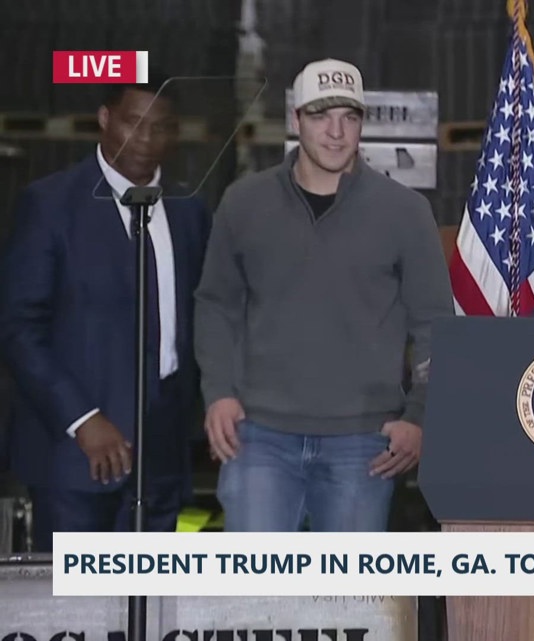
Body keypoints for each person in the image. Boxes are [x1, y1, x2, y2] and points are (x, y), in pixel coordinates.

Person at [193, 58, 453, 532]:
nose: (336, 132)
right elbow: (216, 305)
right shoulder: (244, 203)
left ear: (361, 123)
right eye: (320, 116)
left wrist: (419, 415)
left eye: (349, 117)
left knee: (348, 584)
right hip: (259, 437)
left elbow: (434, 325)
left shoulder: (405, 212)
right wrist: (219, 394)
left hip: (363, 442)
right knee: (252, 580)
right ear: (296, 121)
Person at [0, 75, 212, 550]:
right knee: (78, 597)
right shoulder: (50, 204)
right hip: (76, 455)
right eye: (134, 123)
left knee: (150, 594)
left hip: (162, 456)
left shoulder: (190, 210)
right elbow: (18, 328)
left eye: (161, 127)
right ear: (104, 119)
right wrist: (82, 418)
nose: (146, 139)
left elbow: (198, 320)